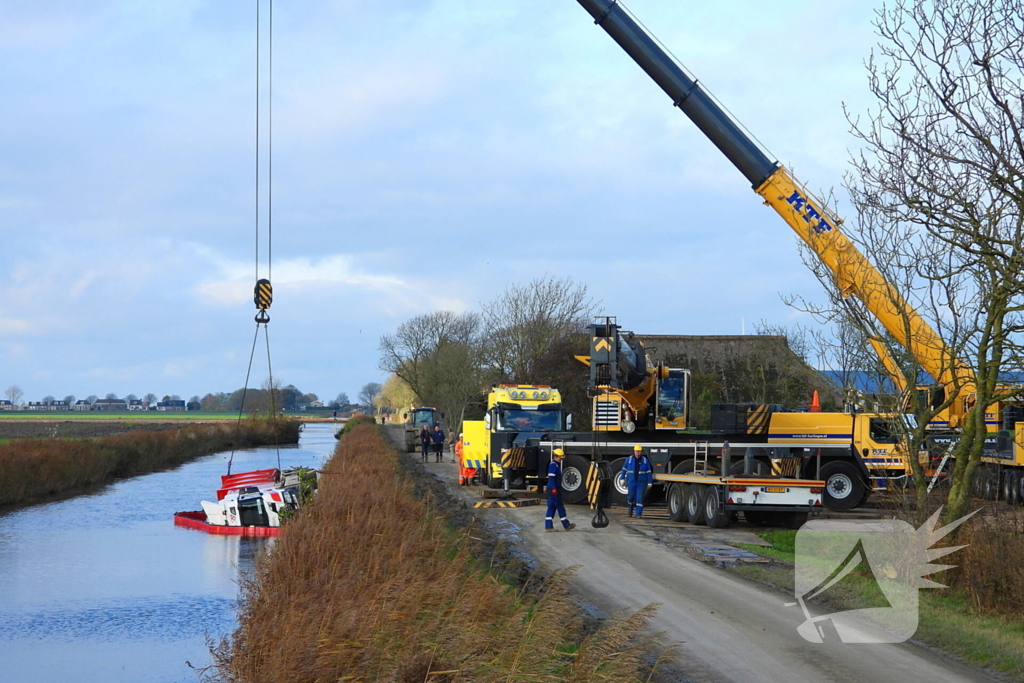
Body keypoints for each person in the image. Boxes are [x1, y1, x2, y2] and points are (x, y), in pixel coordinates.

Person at [545, 449, 576, 532]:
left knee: (551, 507)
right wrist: (554, 489)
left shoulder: (555, 465)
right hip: (554, 489)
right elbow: (551, 478)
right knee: (560, 506)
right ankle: (566, 525)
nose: (561, 459)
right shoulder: (553, 465)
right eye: (560, 457)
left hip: (552, 489)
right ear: (555, 456)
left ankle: (548, 527)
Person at [622, 444, 654, 518]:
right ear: (634, 451)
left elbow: (649, 472)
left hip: (641, 483)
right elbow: (624, 470)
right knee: (630, 497)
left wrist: (650, 482)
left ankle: (638, 514)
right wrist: (622, 478)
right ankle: (630, 509)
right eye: (636, 451)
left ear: (641, 452)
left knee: (640, 498)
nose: (638, 453)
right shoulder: (629, 460)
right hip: (631, 482)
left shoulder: (645, 461)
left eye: (639, 451)